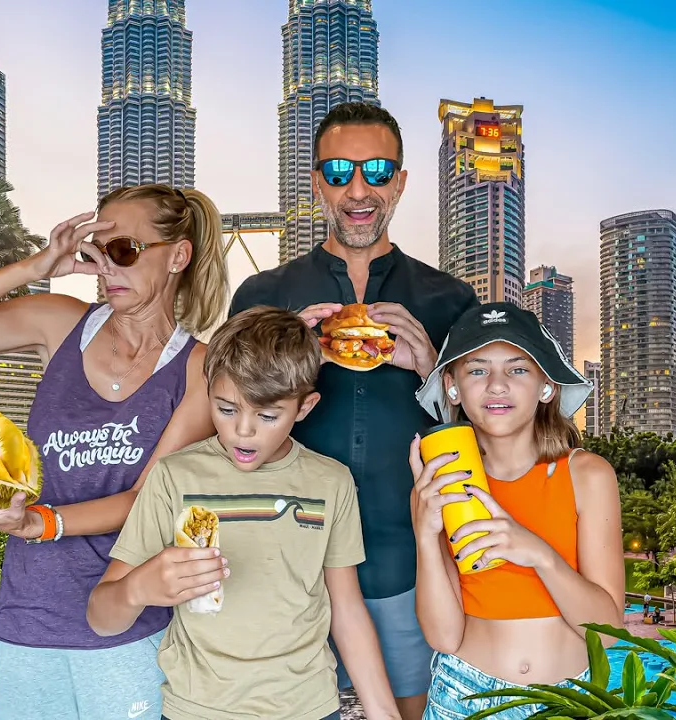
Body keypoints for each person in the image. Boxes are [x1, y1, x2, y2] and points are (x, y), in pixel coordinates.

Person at [0, 184, 230, 720]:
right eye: (95, 252)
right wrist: (35, 265)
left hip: (129, 625)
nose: (106, 267)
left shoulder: (200, 369)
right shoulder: (62, 322)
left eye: (123, 250)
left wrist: (38, 524)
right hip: (28, 616)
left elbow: (148, 499)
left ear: (178, 255)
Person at [228, 101, 479, 719]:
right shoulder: (262, 296)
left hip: (409, 568)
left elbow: (491, 441)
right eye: (339, 171)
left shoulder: (451, 299)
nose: (358, 189)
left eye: (377, 170)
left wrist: (433, 375)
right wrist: (285, 356)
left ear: (401, 182)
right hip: (281, 564)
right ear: (317, 181)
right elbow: (226, 424)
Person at [87, 307, 401, 720]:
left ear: (304, 407)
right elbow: (101, 618)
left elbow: (346, 609)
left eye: (268, 416)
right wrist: (138, 589)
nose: (243, 431)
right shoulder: (174, 477)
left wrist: (386, 714)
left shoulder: (332, 482)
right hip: (196, 711)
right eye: (226, 409)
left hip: (309, 708)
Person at [409, 302, 625, 720]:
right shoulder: (440, 482)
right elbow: (444, 637)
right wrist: (424, 535)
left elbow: (608, 633)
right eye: (477, 370)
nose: (496, 386)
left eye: (517, 369)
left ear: (546, 385)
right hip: (461, 695)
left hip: (569, 700)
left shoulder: (587, 475)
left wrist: (539, 554)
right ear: (452, 386)